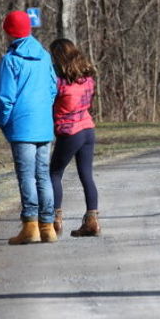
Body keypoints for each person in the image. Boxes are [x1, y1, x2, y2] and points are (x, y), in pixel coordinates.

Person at [0, 10, 58, 244]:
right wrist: (43, 108)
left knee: (26, 177)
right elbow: (53, 88)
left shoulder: (10, 60)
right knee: (43, 175)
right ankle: (48, 227)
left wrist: (3, 121)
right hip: (44, 125)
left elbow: (5, 98)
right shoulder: (44, 55)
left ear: (9, 31)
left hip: (21, 127)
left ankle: (30, 226)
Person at [48, 38, 101, 237]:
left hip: (70, 132)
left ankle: (55, 219)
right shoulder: (88, 79)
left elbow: (50, 101)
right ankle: (92, 220)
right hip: (88, 128)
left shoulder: (59, 82)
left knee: (54, 173)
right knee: (86, 175)